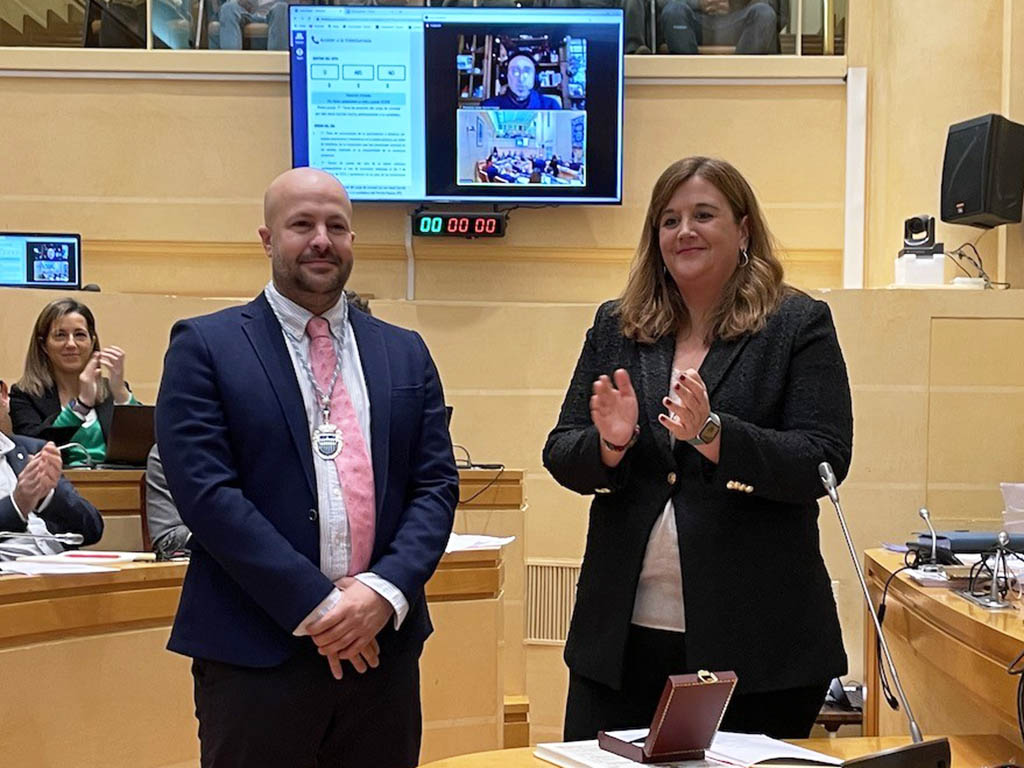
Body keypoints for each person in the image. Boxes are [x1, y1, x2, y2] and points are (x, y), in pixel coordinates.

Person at [155, 167, 459, 768]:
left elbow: (435, 487)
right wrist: (321, 607)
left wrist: (381, 592)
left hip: (382, 653)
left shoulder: (405, 351)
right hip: (255, 655)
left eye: (336, 226)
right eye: (302, 225)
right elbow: (207, 495)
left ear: (352, 240)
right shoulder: (205, 347)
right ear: (267, 239)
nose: (322, 240)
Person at [543, 156, 852, 740]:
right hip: (620, 645)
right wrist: (612, 443)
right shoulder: (618, 326)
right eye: (669, 220)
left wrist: (714, 435)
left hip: (757, 649)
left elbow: (823, 459)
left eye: (703, 215)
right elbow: (561, 450)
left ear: (743, 229)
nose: (684, 231)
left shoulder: (796, 323)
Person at [10, 298, 139, 466]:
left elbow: (142, 445)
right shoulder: (24, 395)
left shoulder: (113, 390)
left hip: (118, 480)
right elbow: (32, 448)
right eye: (60, 335)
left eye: (79, 335)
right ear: (43, 345)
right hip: (59, 481)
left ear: (92, 342)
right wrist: (81, 406)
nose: (71, 344)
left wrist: (120, 392)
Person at [0, 384, 104, 560]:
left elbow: (92, 529)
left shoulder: (31, 449)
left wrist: (46, 497)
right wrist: (18, 504)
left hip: (61, 565)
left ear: (3, 395)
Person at [660, 0, 786, 55]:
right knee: (673, 11)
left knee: (764, 13)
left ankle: (739, 82)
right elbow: (657, 3)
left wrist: (734, 4)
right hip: (692, 23)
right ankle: (689, 81)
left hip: (740, 22)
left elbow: (780, 13)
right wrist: (697, 3)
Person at [482, 51, 561, 110]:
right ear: (506, 76)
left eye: (527, 72)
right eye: (515, 72)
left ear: (535, 77)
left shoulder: (550, 106)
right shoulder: (489, 106)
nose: (521, 79)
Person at [210, 0, 288, 50]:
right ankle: (231, 64)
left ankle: (277, 64)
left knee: (282, 8)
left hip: (274, 12)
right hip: (242, 11)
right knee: (228, 8)